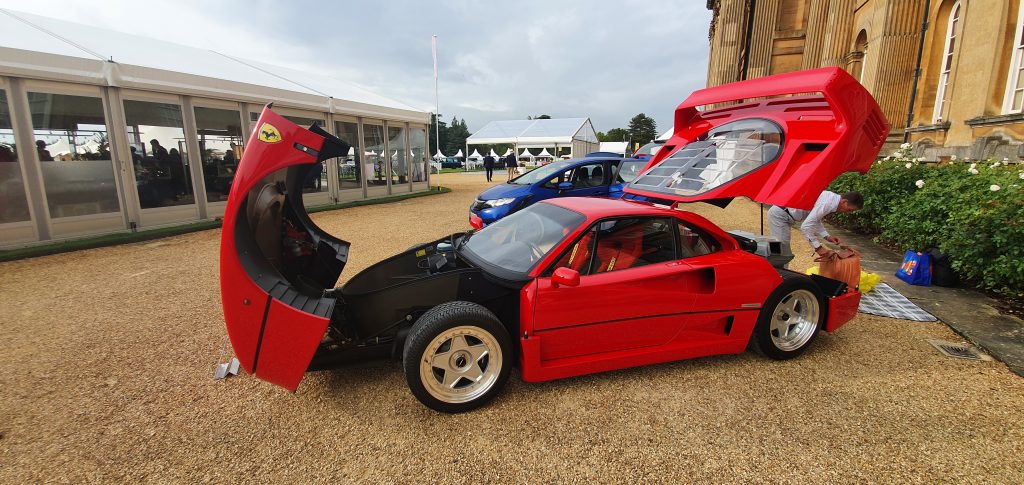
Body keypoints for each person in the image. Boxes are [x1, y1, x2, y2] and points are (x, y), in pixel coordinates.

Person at [768, 191, 863, 258]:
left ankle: (777, 275)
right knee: (781, 251)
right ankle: (778, 279)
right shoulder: (828, 203)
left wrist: (827, 236)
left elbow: (815, 219)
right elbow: (805, 227)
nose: (847, 212)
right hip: (780, 215)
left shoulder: (831, 199)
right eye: (850, 210)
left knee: (780, 249)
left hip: (784, 213)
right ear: (844, 202)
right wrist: (818, 247)